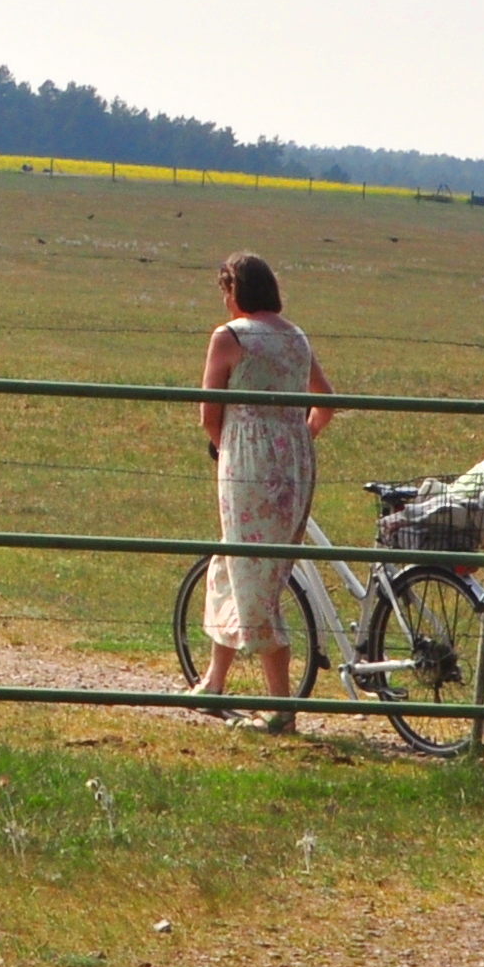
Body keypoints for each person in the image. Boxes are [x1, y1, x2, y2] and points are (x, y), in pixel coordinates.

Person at [193, 254, 334, 723]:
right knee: (235, 565)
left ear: (235, 291)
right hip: (294, 462)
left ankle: (281, 705)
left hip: (248, 464)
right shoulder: (295, 336)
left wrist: (227, 447)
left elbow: (209, 412)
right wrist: (295, 438)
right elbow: (326, 402)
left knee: (257, 580)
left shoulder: (229, 337)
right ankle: (214, 682)